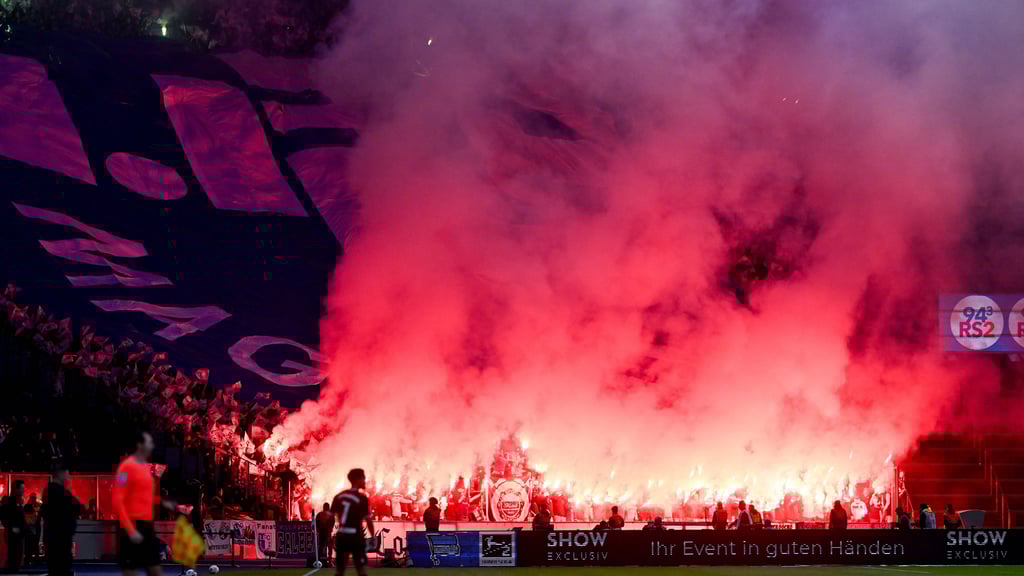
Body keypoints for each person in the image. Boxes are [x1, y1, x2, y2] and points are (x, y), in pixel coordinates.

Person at [114, 430, 176, 576]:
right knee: (130, 571)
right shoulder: (126, 468)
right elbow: (118, 500)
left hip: (147, 525)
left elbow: (143, 497)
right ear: (140, 445)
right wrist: (130, 529)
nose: (152, 445)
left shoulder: (144, 468)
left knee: (155, 569)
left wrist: (161, 502)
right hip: (131, 524)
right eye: (149, 442)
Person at [331, 468, 375, 576]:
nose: (365, 481)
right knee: (361, 570)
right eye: (363, 478)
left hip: (341, 535)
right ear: (357, 479)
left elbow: (330, 517)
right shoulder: (362, 498)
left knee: (339, 571)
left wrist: (329, 534)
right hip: (356, 536)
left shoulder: (338, 496)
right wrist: (373, 537)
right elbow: (368, 520)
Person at [43, 463, 80, 576]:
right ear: (62, 474)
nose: (69, 477)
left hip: (57, 536)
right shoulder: (59, 491)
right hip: (59, 538)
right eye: (68, 474)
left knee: (57, 568)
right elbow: (77, 507)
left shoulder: (50, 490)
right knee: (60, 568)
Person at [2, 480, 27, 573]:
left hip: (17, 533)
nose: (23, 491)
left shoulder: (17, 502)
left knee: (16, 557)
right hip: (13, 534)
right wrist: (11, 527)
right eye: (22, 488)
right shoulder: (10, 501)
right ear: (16, 489)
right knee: (14, 556)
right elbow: (4, 516)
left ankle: (11, 572)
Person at [23, 492, 41, 566]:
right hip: (32, 527)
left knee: (31, 544)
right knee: (32, 544)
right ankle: (32, 560)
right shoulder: (30, 506)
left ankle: (30, 560)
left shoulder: (30, 505)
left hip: (32, 527)